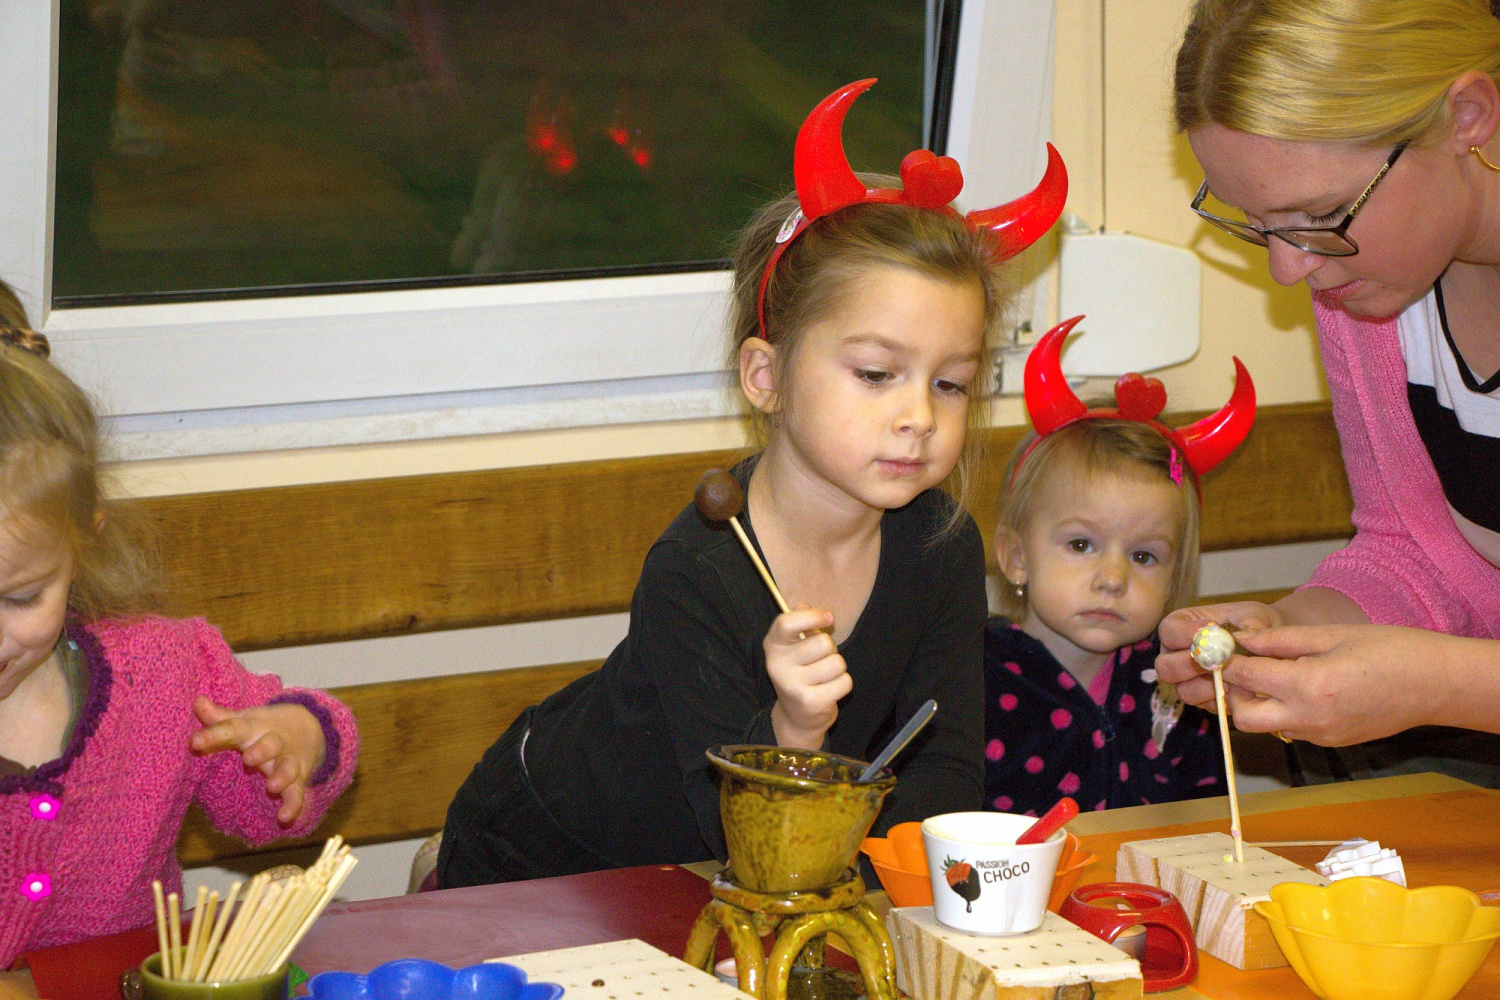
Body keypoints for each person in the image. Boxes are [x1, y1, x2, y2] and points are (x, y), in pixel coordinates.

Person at [437, 79, 1068, 886]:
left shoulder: (940, 547)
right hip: (550, 863)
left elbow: (942, 773)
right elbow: (739, 843)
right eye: (877, 374)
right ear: (766, 377)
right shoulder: (696, 569)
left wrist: (892, 885)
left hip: (739, 882)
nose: (919, 415)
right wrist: (792, 732)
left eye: (950, 383)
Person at [1157, 0, 1500, 785]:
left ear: (1467, 117)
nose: (1290, 267)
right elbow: (1414, 554)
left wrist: (1437, 683)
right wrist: (1282, 635)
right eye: (1258, 223)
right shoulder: (1368, 280)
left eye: (1318, 214)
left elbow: (1439, 672)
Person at [0, 300, 360, 966]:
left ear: (82, 544)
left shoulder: (162, 672)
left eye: (20, 597)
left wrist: (291, 742)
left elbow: (263, 805)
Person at [984, 319, 1252, 815]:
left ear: (1172, 579)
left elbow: (1209, 815)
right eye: (1081, 544)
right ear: (1017, 558)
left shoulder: (1180, 682)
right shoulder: (975, 678)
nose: (1112, 579)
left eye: (1143, 556)